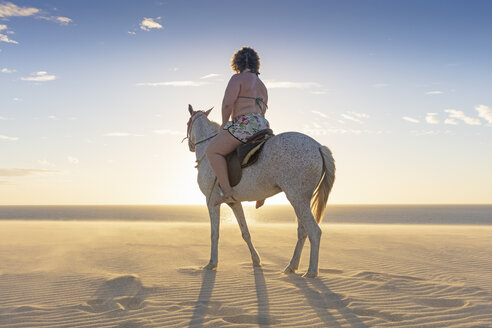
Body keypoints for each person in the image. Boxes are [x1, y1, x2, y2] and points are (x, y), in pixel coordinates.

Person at [205, 47, 270, 207]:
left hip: (244, 123)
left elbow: (227, 104)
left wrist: (224, 123)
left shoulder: (237, 79)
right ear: (256, 64)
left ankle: (227, 192)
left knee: (212, 150)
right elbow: (263, 110)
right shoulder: (262, 85)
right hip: (262, 124)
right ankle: (262, 193)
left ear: (237, 63)